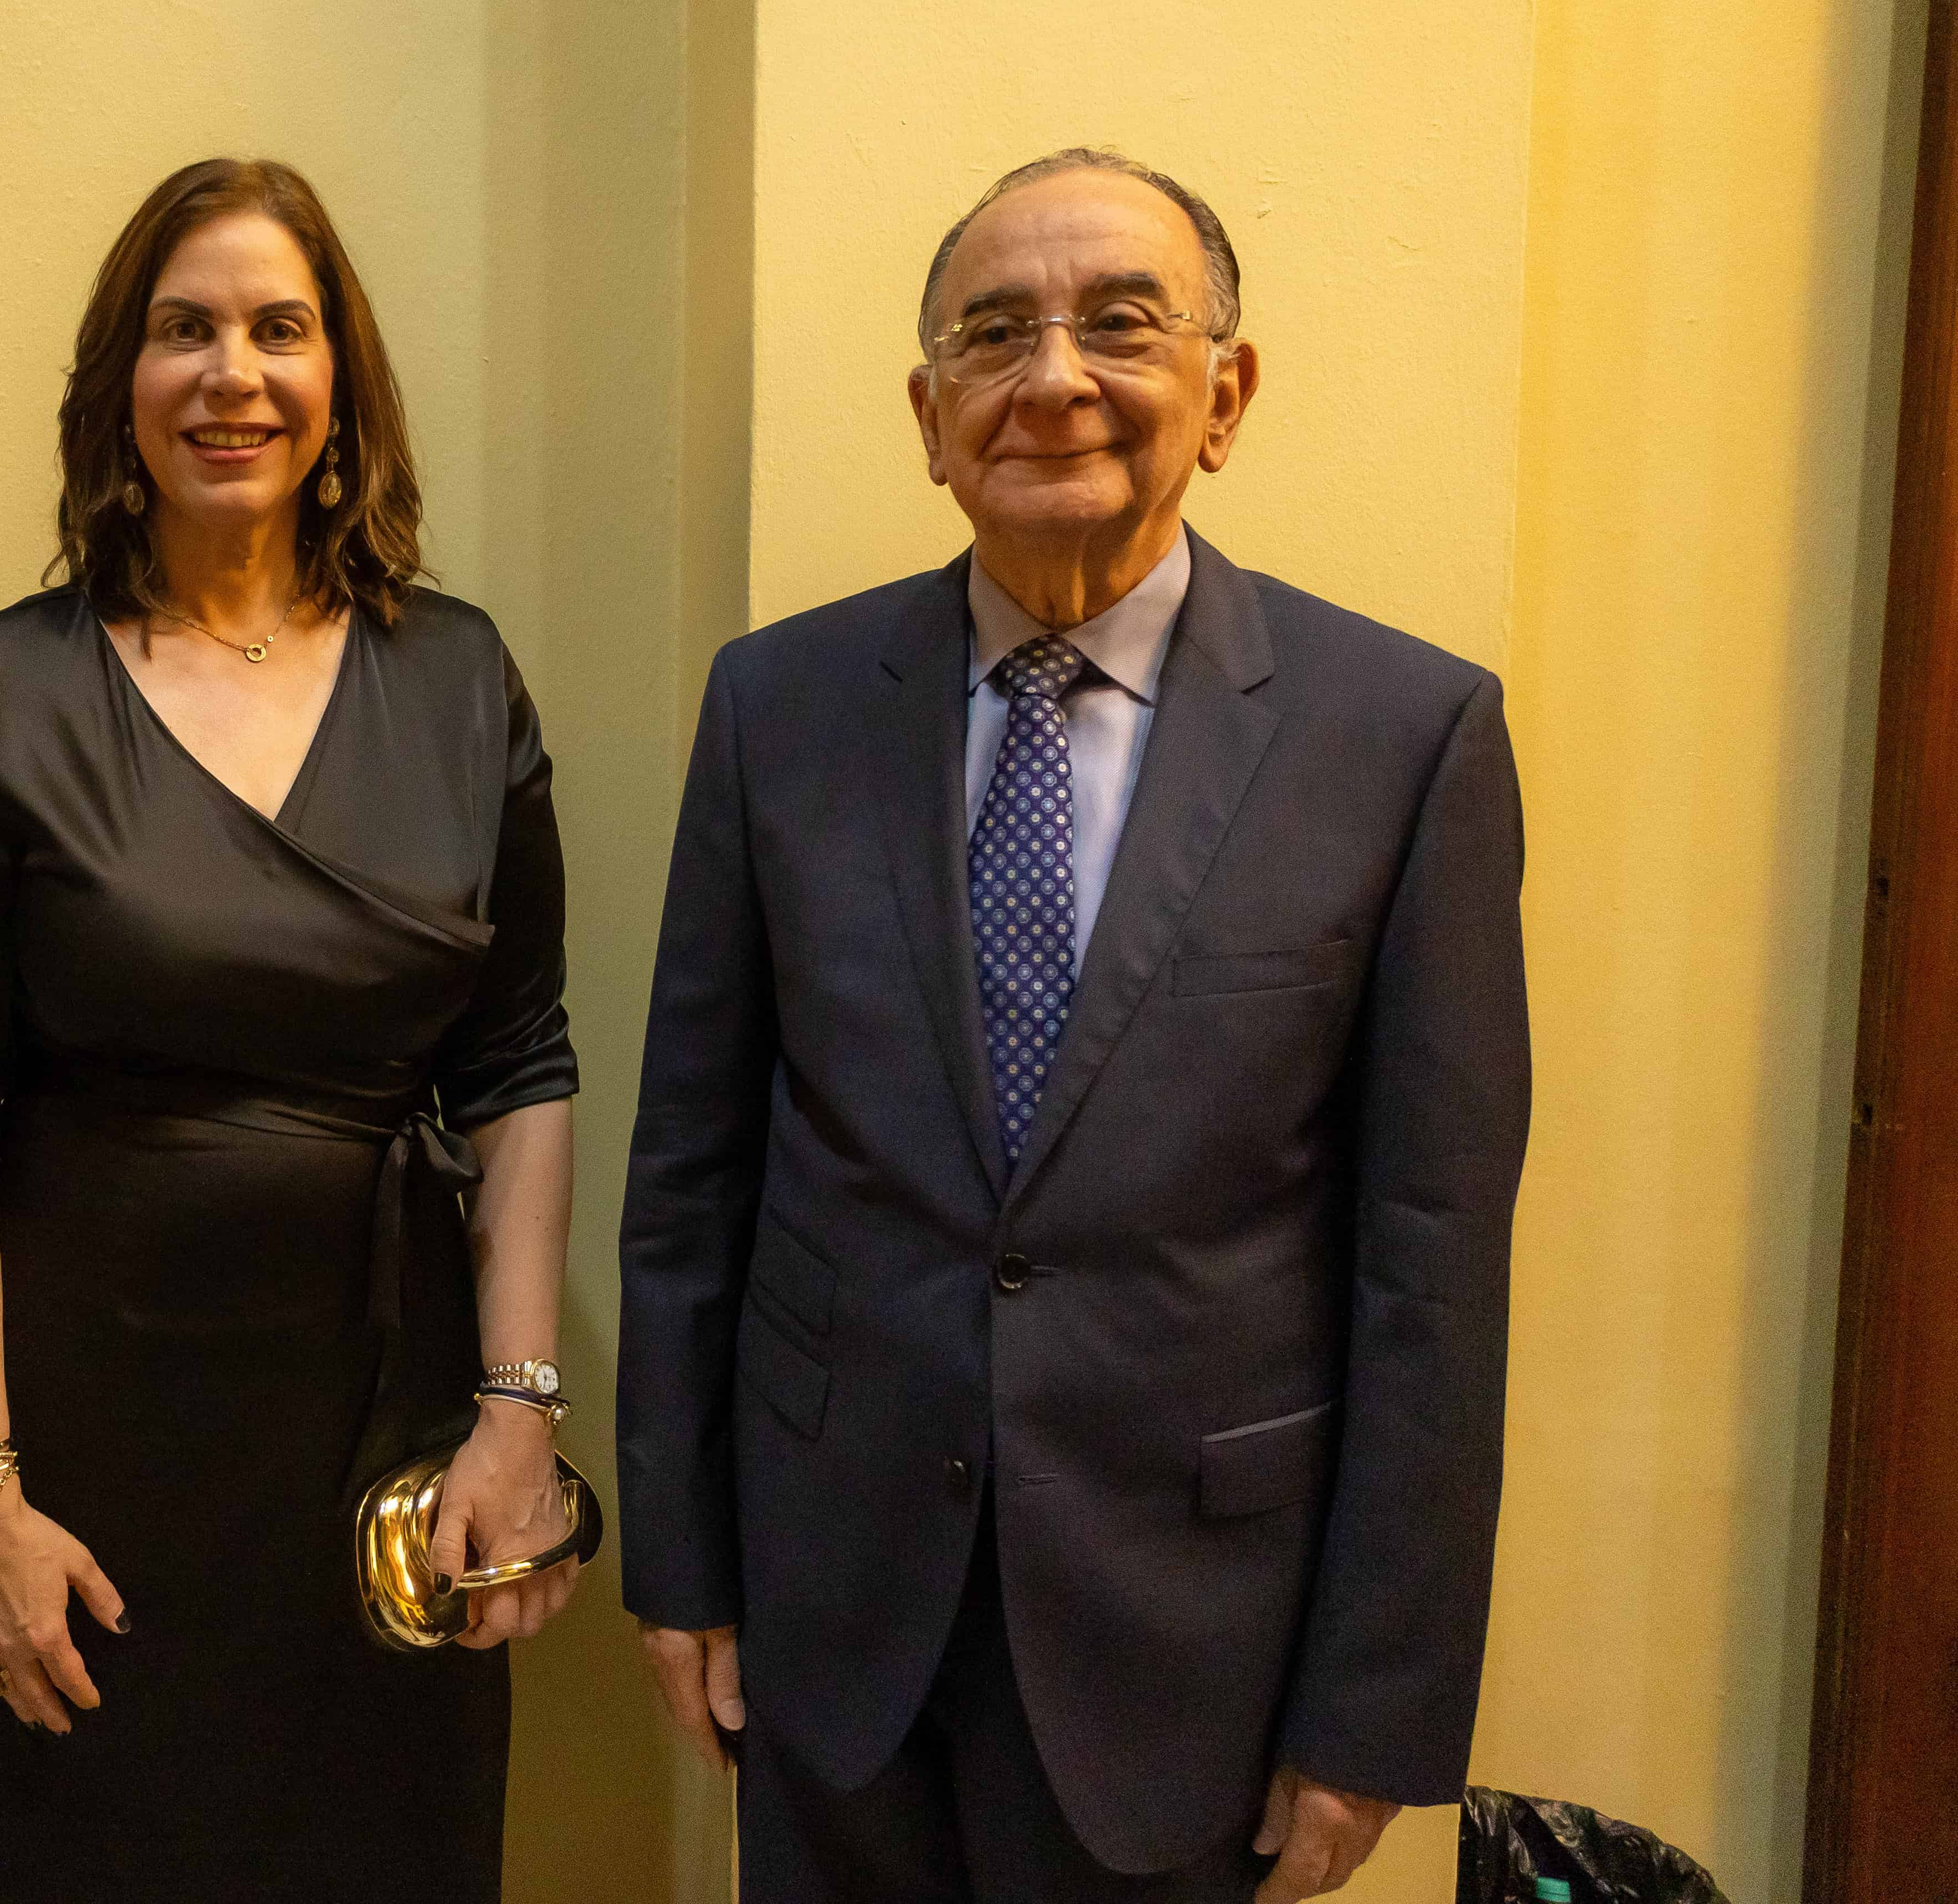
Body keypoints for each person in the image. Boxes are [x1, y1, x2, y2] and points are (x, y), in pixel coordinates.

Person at [618, 148, 1530, 1903]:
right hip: (834, 1614)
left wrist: (1376, 1708)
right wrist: (685, 1559)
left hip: (1192, 1643)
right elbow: (692, 1177)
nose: (1054, 379)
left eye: (1122, 324)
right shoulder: (778, 706)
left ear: (1227, 390)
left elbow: (1432, 1268)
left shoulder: (1403, 739)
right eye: (994, 333)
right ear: (929, 410)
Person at [0, 158, 586, 1900]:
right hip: (84, 1459)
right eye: (183, 331)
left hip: (382, 1439)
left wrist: (516, 1413)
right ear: (124, 384)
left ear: (341, 386)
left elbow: (520, 1067)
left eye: (280, 329)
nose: (232, 374)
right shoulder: (1, 690)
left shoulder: (459, 676)